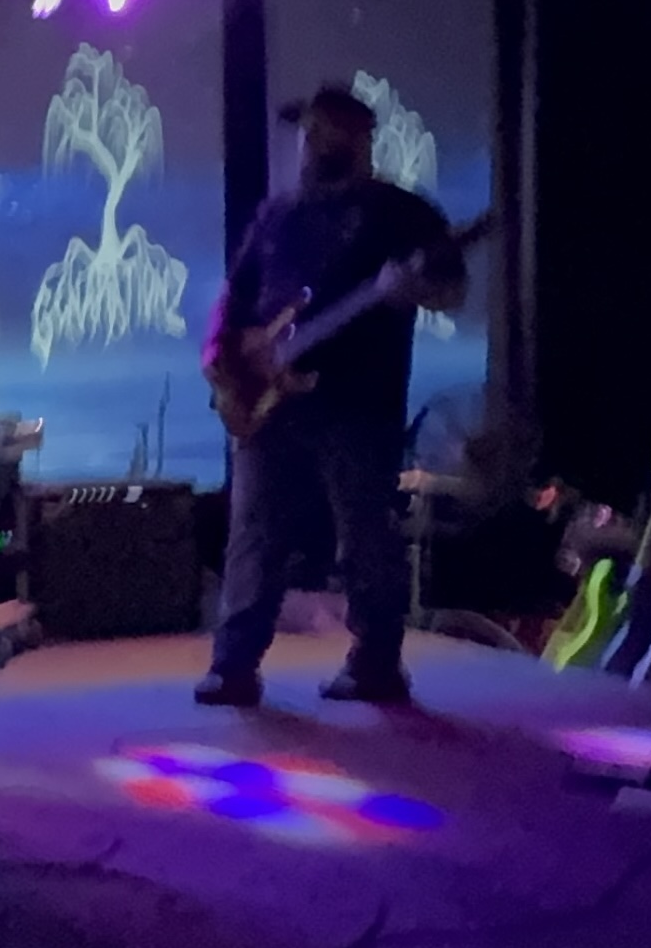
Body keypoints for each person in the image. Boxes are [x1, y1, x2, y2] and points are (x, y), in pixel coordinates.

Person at [195, 82, 467, 708]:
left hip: (360, 400)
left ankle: (375, 664)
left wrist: (412, 289)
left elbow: (451, 288)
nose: (311, 140)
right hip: (271, 400)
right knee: (254, 533)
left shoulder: (399, 212)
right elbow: (237, 295)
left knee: (366, 535)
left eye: (325, 128)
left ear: (359, 136)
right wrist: (221, 360)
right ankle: (233, 664)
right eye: (308, 129)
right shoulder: (278, 214)